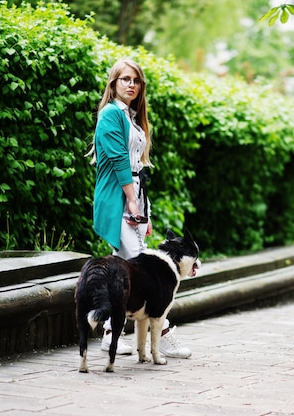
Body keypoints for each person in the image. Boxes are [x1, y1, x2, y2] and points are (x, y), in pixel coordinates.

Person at [86, 58, 191, 359]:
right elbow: (119, 161)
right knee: (138, 264)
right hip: (117, 197)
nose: (131, 85)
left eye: (136, 80)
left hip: (135, 194)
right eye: (125, 79)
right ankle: (165, 330)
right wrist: (131, 200)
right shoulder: (110, 114)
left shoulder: (133, 117)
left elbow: (138, 166)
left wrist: (145, 208)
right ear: (114, 83)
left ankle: (110, 333)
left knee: (127, 266)